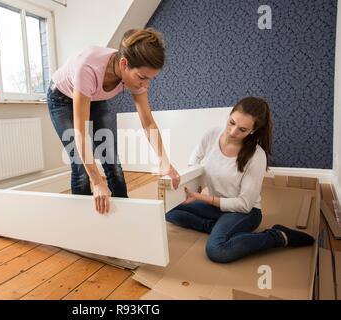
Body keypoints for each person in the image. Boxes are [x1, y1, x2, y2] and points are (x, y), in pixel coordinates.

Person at [166, 97, 315, 263]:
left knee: (217, 251)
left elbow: (244, 204)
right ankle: (218, 228)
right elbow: (195, 157)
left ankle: (277, 236)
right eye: (231, 122)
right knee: (169, 209)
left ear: (253, 131)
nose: (232, 132)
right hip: (217, 208)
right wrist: (194, 183)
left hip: (245, 212)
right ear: (229, 115)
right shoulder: (212, 134)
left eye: (242, 129)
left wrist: (200, 197)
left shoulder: (256, 156)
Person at [48, 28, 180, 214]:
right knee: (81, 167)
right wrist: (97, 182)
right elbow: (80, 133)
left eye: (150, 79)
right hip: (62, 100)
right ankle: (83, 223)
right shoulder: (88, 67)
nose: (145, 85)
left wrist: (163, 160)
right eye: (142, 78)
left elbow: (148, 122)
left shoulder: (135, 74)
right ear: (124, 64)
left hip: (94, 97)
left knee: (111, 160)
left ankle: (123, 217)